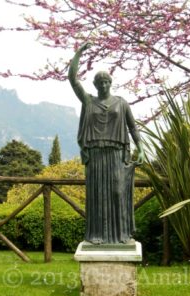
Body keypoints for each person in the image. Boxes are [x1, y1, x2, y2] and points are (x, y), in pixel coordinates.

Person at [68, 42, 144, 244]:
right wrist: (79, 53)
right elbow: (72, 79)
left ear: (110, 83)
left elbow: (133, 127)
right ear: (95, 85)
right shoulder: (89, 101)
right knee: (97, 196)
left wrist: (141, 149)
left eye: (105, 82)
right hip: (95, 155)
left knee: (118, 192)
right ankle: (96, 235)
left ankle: (122, 235)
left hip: (116, 155)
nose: (103, 85)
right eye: (99, 83)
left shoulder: (122, 103)